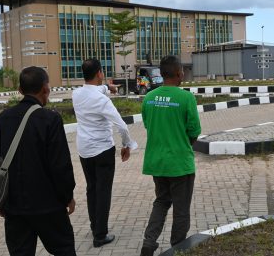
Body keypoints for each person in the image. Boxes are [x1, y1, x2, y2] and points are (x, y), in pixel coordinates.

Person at [0, 66, 76, 255]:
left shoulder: (3, 118)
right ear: (46, 89)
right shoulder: (50, 119)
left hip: (14, 207)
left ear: (20, 91)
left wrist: (1, 201)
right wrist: (67, 196)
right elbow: (60, 165)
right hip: (49, 206)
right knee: (64, 250)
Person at [72, 59, 137, 248]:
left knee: (92, 189)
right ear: (99, 73)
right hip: (102, 150)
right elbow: (122, 126)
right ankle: (100, 235)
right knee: (103, 191)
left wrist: (109, 88)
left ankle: (95, 227)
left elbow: (94, 90)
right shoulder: (102, 100)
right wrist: (127, 145)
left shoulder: (77, 94)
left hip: (84, 150)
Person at [140, 56, 201, 256]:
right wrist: (183, 145)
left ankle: (149, 243)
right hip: (179, 164)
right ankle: (178, 248)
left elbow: (149, 125)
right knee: (181, 209)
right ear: (177, 73)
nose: (183, 74)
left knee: (161, 201)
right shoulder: (186, 98)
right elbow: (194, 130)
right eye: (182, 71)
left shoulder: (149, 98)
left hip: (157, 162)